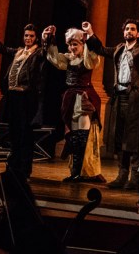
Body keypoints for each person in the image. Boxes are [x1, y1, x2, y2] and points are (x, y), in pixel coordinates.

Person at [91, 16, 139, 190]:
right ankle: (121, 176)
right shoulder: (119, 49)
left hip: (135, 98)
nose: (129, 31)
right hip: (120, 97)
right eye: (127, 29)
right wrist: (90, 33)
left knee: (135, 140)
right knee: (120, 138)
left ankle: (135, 179)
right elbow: (100, 49)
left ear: (138, 34)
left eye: (132, 29)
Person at [45, 23, 105, 183]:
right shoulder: (68, 59)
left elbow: (94, 55)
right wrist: (50, 38)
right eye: (70, 44)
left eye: (75, 44)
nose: (72, 47)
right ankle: (75, 172)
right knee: (73, 135)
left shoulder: (88, 59)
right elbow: (53, 58)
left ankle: (80, 172)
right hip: (71, 98)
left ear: (82, 44)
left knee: (82, 135)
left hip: (84, 97)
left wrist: (89, 33)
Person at [0, 22, 47, 179]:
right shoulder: (19, 51)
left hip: (26, 97)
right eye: (26, 35)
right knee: (14, 133)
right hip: (13, 96)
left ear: (36, 38)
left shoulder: (38, 52)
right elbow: (2, 49)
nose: (28, 38)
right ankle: (13, 167)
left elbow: (47, 51)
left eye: (31, 36)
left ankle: (24, 169)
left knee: (25, 134)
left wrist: (48, 37)